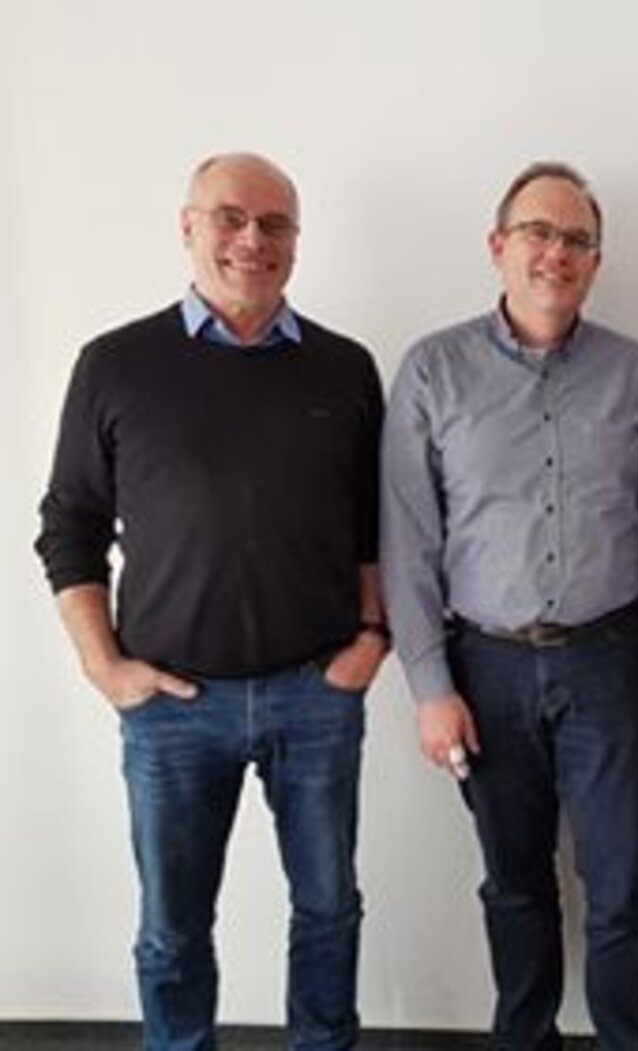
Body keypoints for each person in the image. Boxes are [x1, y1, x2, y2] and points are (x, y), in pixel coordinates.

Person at [35, 152, 388, 1050]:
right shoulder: (115, 364)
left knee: (329, 910)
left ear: (296, 241)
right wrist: (103, 664)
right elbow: (69, 524)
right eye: (230, 217)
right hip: (171, 706)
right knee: (173, 927)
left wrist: (372, 635)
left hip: (317, 693)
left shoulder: (345, 367)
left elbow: (374, 523)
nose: (252, 239)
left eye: (276, 223)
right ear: (187, 226)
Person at [380, 161, 638, 1050]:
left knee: (625, 884)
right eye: (538, 233)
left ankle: (629, 1038)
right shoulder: (432, 369)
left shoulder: (634, 372)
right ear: (497, 245)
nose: (557, 253)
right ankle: (524, 1036)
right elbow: (407, 539)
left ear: (596, 261)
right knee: (513, 882)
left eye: (577, 239)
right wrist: (431, 686)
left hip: (611, 662)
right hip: (486, 668)